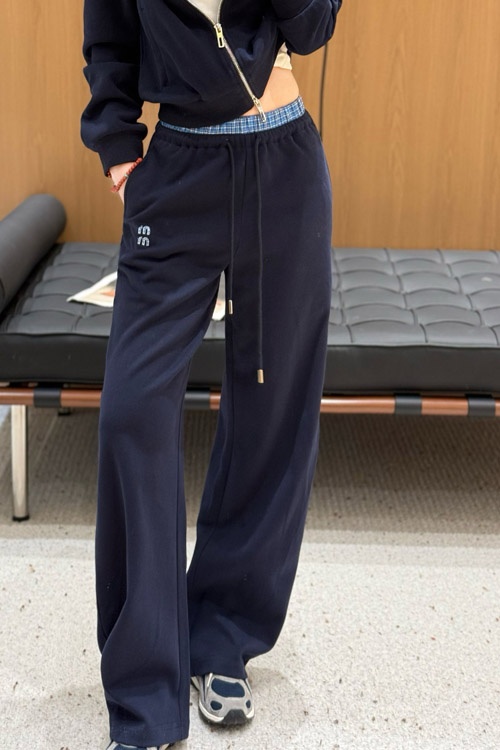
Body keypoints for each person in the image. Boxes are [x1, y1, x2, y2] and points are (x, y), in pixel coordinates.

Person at [81, 1, 343, 748]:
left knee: (271, 409)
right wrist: (119, 150)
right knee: (133, 411)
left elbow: (313, 29)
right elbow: (109, 41)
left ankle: (222, 637)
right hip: (178, 173)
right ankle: (144, 689)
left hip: (285, 166)